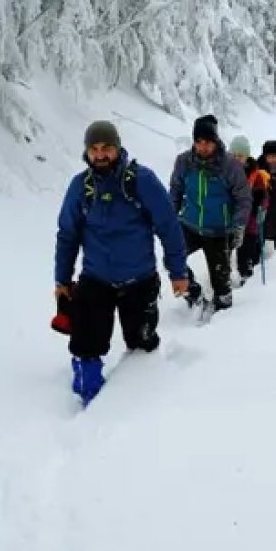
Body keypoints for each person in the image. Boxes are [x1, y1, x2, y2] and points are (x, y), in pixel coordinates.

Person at [54, 120, 190, 405]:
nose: (101, 155)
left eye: (107, 148)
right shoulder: (81, 187)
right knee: (86, 345)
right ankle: (88, 400)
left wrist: (178, 272)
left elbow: (168, 227)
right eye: (94, 149)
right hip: (95, 280)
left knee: (142, 344)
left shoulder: (141, 181)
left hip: (139, 280)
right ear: (87, 152)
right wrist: (62, 280)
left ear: (118, 148)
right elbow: (68, 235)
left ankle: (140, 408)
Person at [169, 115, 252, 311]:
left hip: (218, 231)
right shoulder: (184, 162)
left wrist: (238, 225)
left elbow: (243, 198)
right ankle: (194, 295)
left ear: (216, 141)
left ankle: (222, 318)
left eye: (208, 142)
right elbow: (175, 192)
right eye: (199, 142)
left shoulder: (230, 165)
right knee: (172, 260)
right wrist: (169, 220)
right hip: (189, 225)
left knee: (221, 285)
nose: (203, 147)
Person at [228, 136, 270, 282]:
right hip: (229, 220)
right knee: (225, 251)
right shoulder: (225, 172)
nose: (236, 159)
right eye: (233, 155)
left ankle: (247, 277)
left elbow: (265, 197)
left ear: (246, 156)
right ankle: (223, 278)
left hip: (250, 222)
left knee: (245, 252)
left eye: (240, 156)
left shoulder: (256, 175)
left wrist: (261, 208)